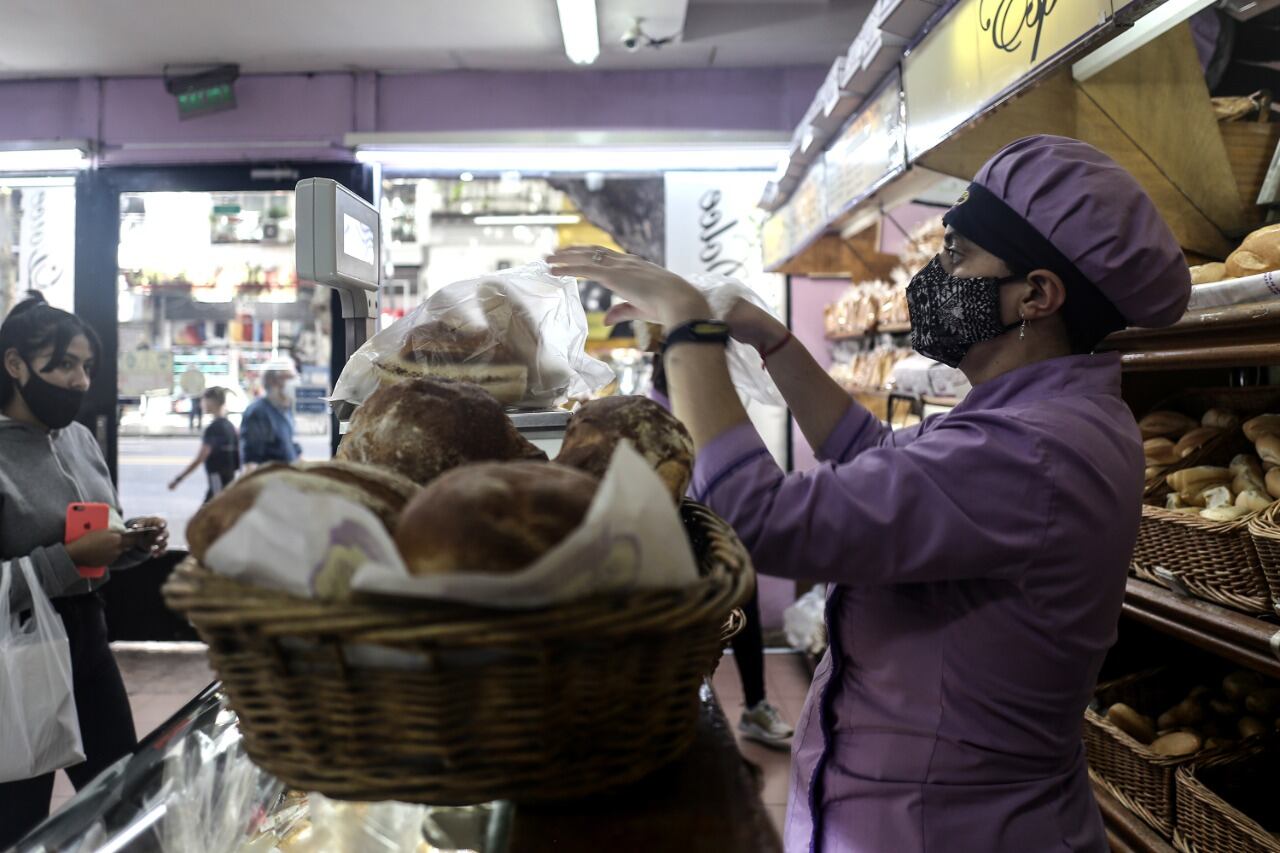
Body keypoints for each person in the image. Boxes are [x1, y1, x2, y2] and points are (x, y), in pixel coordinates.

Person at [549, 136, 1193, 853]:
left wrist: (687, 328)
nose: (934, 273)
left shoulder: (1031, 451)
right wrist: (771, 339)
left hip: (947, 830)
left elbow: (757, 519)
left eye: (958, 255)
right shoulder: (1039, 419)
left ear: (1037, 295)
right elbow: (878, 456)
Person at [0, 296, 169, 848]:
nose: (79, 380)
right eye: (64, 364)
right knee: (19, 819)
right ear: (15, 364)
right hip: (18, 653)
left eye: (86, 366)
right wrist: (69, 559)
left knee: (124, 799)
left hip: (88, 642)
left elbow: (97, 532)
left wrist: (130, 541)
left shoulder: (78, 437)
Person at [651, 353, 793, 749]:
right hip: (680, 537)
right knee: (694, 634)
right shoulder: (659, 411)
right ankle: (692, 717)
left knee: (741, 611)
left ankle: (754, 706)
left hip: (715, 529)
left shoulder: (699, 403)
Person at [168, 386, 240, 501]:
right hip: (229, 481)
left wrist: (178, 479)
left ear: (211, 402)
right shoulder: (230, 427)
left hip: (217, 483)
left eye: (203, 400)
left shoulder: (213, 429)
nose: (201, 404)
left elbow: (200, 458)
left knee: (210, 510)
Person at [240, 367, 301, 469]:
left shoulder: (285, 410)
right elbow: (251, 460)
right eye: (289, 378)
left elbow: (287, 446)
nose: (295, 383)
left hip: (286, 475)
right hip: (270, 476)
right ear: (272, 381)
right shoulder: (258, 412)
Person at [179, 364, 206, 433]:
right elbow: (203, 382)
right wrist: (202, 391)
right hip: (199, 393)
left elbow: (182, 383)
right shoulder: (199, 373)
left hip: (191, 394)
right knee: (198, 409)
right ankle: (198, 424)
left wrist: (185, 391)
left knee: (194, 408)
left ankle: (192, 424)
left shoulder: (185, 374)